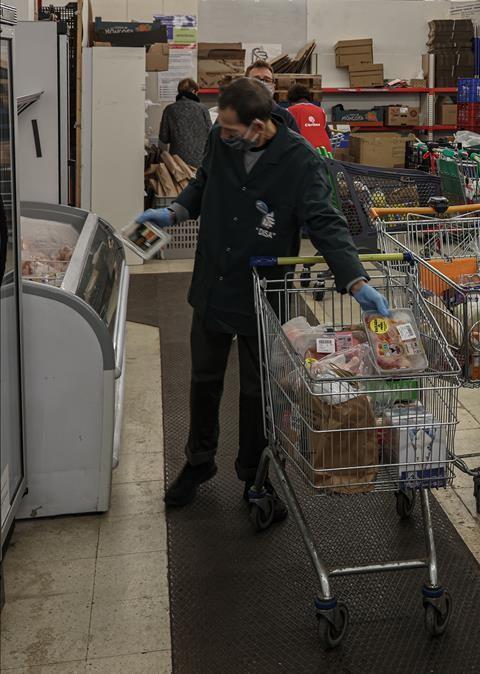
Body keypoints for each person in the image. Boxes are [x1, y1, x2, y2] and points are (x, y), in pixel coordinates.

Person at [133, 77, 390, 510]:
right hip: (213, 280)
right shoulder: (220, 139)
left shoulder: (301, 161)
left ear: (259, 124)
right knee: (204, 380)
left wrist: (356, 280)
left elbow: (326, 223)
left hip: (261, 290)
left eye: (233, 130)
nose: (224, 135)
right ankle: (199, 461)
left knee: (258, 390)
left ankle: (255, 472)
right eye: (223, 129)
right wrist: (176, 209)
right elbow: (204, 183)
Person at [158, 78, 211, 167]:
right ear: (194, 91)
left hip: (177, 162)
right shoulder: (203, 109)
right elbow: (211, 134)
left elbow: (164, 138)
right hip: (200, 161)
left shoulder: (170, 109)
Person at [245, 60, 299, 133]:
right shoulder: (235, 115)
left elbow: (296, 143)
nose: (262, 83)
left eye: (267, 80)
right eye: (256, 79)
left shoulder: (285, 117)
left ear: (273, 86)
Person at [286, 83, 332, 153]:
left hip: (304, 153)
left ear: (290, 98)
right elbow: (329, 134)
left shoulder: (288, 111)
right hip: (326, 153)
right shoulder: (320, 110)